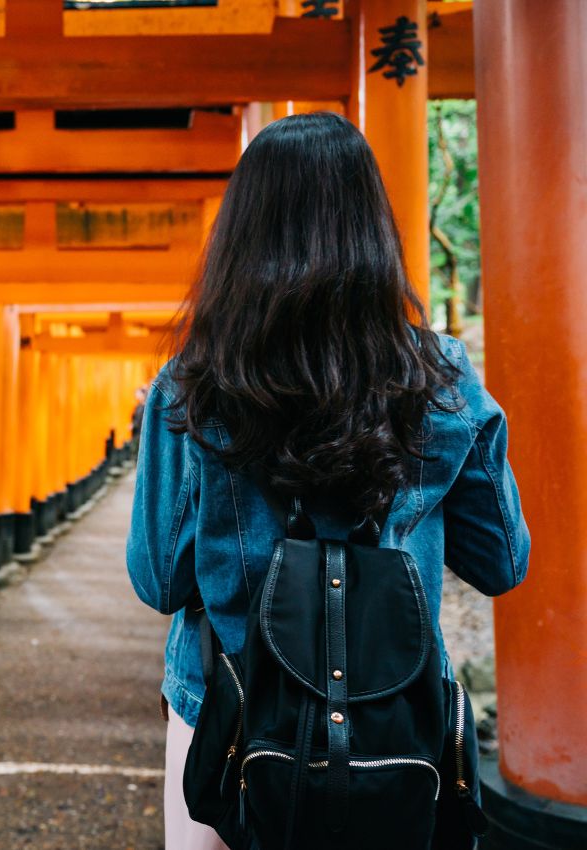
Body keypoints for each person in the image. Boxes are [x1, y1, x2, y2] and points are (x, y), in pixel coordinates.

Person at [126, 112, 529, 850]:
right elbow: (502, 562)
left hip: (228, 722)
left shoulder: (194, 386)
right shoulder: (440, 378)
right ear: (371, 228)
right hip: (394, 728)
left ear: (240, 235)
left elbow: (158, 579)